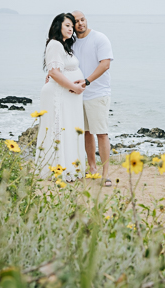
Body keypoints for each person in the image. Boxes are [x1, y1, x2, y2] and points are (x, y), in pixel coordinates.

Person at [36, 13, 86, 181]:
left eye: (72, 26)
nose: (71, 28)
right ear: (58, 26)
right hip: (59, 94)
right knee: (60, 127)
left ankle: (69, 166)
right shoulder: (55, 44)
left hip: (67, 94)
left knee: (68, 127)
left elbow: (58, 70)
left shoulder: (64, 46)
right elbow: (54, 72)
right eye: (67, 25)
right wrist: (74, 87)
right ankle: (58, 169)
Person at [72, 10, 114, 185]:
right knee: (86, 133)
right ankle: (92, 168)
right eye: (76, 21)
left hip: (97, 93)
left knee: (101, 133)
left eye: (83, 19)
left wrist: (87, 81)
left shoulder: (99, 38)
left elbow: (105, 64)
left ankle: (106, 174)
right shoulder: (71, 43)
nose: (81, 23)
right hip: (78, 95)